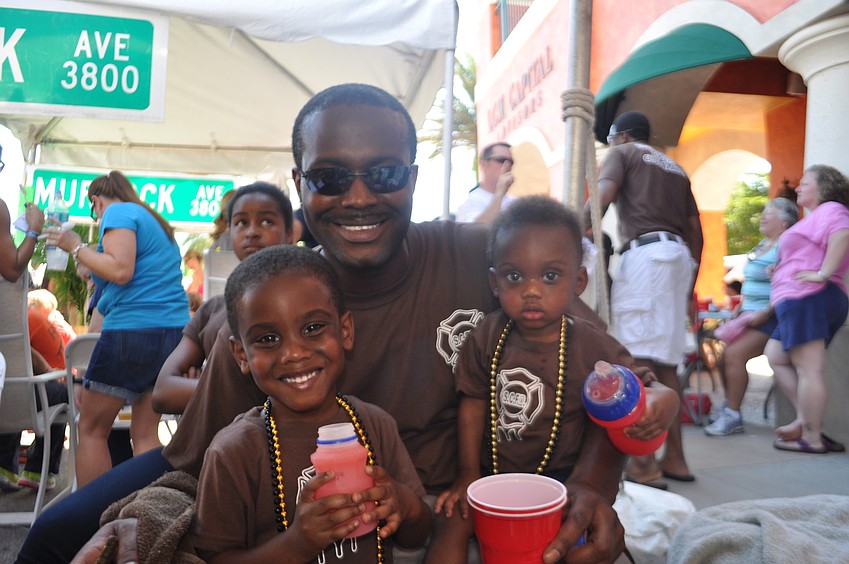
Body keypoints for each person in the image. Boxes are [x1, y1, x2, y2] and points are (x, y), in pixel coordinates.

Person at [17, 84, 625, 564]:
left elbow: (612, 380)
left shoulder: (489, 261)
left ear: (413, 178)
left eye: (384, 174)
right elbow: (192, 463)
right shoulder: (268, 312)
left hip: (445, 522)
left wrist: (594, 483)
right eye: (330, 179)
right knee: (54, 536)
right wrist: (136, 514)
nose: (358, 197)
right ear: (300, 184)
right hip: (305, 532)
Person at [426, 196, 680, 562]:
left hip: (562, 487)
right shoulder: (485, 336)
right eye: (515, 276)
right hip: (492, 481)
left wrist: (666, 398)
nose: (531, 290)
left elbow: (641, 385)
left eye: (550, 276)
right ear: (494, 282)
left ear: (578, 281)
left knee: (572, 541)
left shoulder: (592, 344)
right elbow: (472, 405)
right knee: (451, 521)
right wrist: (467, 475)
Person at [193, 244, 431, 561]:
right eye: (267, 339)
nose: (294, 353)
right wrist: (296, 543)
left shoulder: (376, 425)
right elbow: (214, 558)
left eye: (312, 328)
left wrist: (404, 503)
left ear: (345, 331)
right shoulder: (233, 451)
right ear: (241, 355)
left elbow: (417, 535)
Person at [44, 170, 189, 487]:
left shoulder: (118, 212)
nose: (98, 219)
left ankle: (94, 513)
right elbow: (126, 274)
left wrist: (75, 246)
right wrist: (92, 264)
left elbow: (121, 270)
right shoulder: (152, 221)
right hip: (172, 333)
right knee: (145, 433)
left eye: (94, 212)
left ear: (96, 201)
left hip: (133, 332)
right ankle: (153, 507)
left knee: (92, 430)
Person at [583, 111, 703, 485]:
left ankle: (644, 464)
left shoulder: (623, 153)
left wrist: (572, 229)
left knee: (636, 357)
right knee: (667, 364)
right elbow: (696, 231)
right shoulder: (676, 168)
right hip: (678, 259)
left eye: (610, 140)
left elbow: (603, 196)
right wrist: (690, 283)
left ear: (621, 136)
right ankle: (676, 460)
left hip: (647, 257)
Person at [151, 181, 294, 415]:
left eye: (267, 221)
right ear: (230, 232)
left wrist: (203, 383)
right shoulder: (212, 310)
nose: (252, 231)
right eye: (241, 222)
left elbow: (285, 395)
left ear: (290, 234)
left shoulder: (299, 305)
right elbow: (162, 393)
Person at [765, 165, 849, 454]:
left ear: (824, 188)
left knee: (808, 369)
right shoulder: (816, 217)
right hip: (800, 299)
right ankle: (806, 420)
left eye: (805, 183)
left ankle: (812, 438)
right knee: (775, 355)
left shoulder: (832, 210)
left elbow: (843, 234)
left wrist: (823, 273)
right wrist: (781, 269)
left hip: (808, 298)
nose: (798, 188)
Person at [705, 198, 798, 436]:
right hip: (748, 314)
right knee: (724, 358)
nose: (763, 216)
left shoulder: (787, 243)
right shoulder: (764, 244)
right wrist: (740, 307)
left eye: (770, 213)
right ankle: (729, 407)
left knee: (734, 355)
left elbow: (787, 282)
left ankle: (733, 415)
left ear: (785, 221)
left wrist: (767, 310)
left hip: (770, 316)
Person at [0, 198, 67, 492]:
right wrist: (33, 230)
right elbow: (13, 269)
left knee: (16, 381)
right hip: (14, 388)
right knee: (60, 392)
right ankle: (40, 471)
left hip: (11, 381)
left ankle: (5, 466)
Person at [455, 142, 515, 223]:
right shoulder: (471, 202)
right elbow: (478, 228)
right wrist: (499, 193)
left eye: (511, 162)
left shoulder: (514, 201)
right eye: (501, 160)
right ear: (484, 164)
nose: (507, 165)